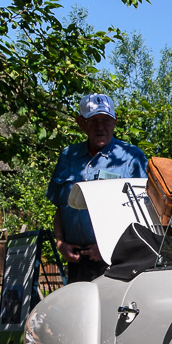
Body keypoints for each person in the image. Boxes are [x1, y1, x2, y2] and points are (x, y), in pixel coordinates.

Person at [46, 93, 148, 282]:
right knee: (80, 311)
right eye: (93, 121)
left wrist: (107, 248)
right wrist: (60, 242)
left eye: (106, 120)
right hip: (77, 261)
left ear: (115, 121)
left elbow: (142, 215)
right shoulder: (68, 157)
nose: (100, 127)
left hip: (117, 261)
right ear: (81, 123)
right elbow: (60, 207)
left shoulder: (132, 158)